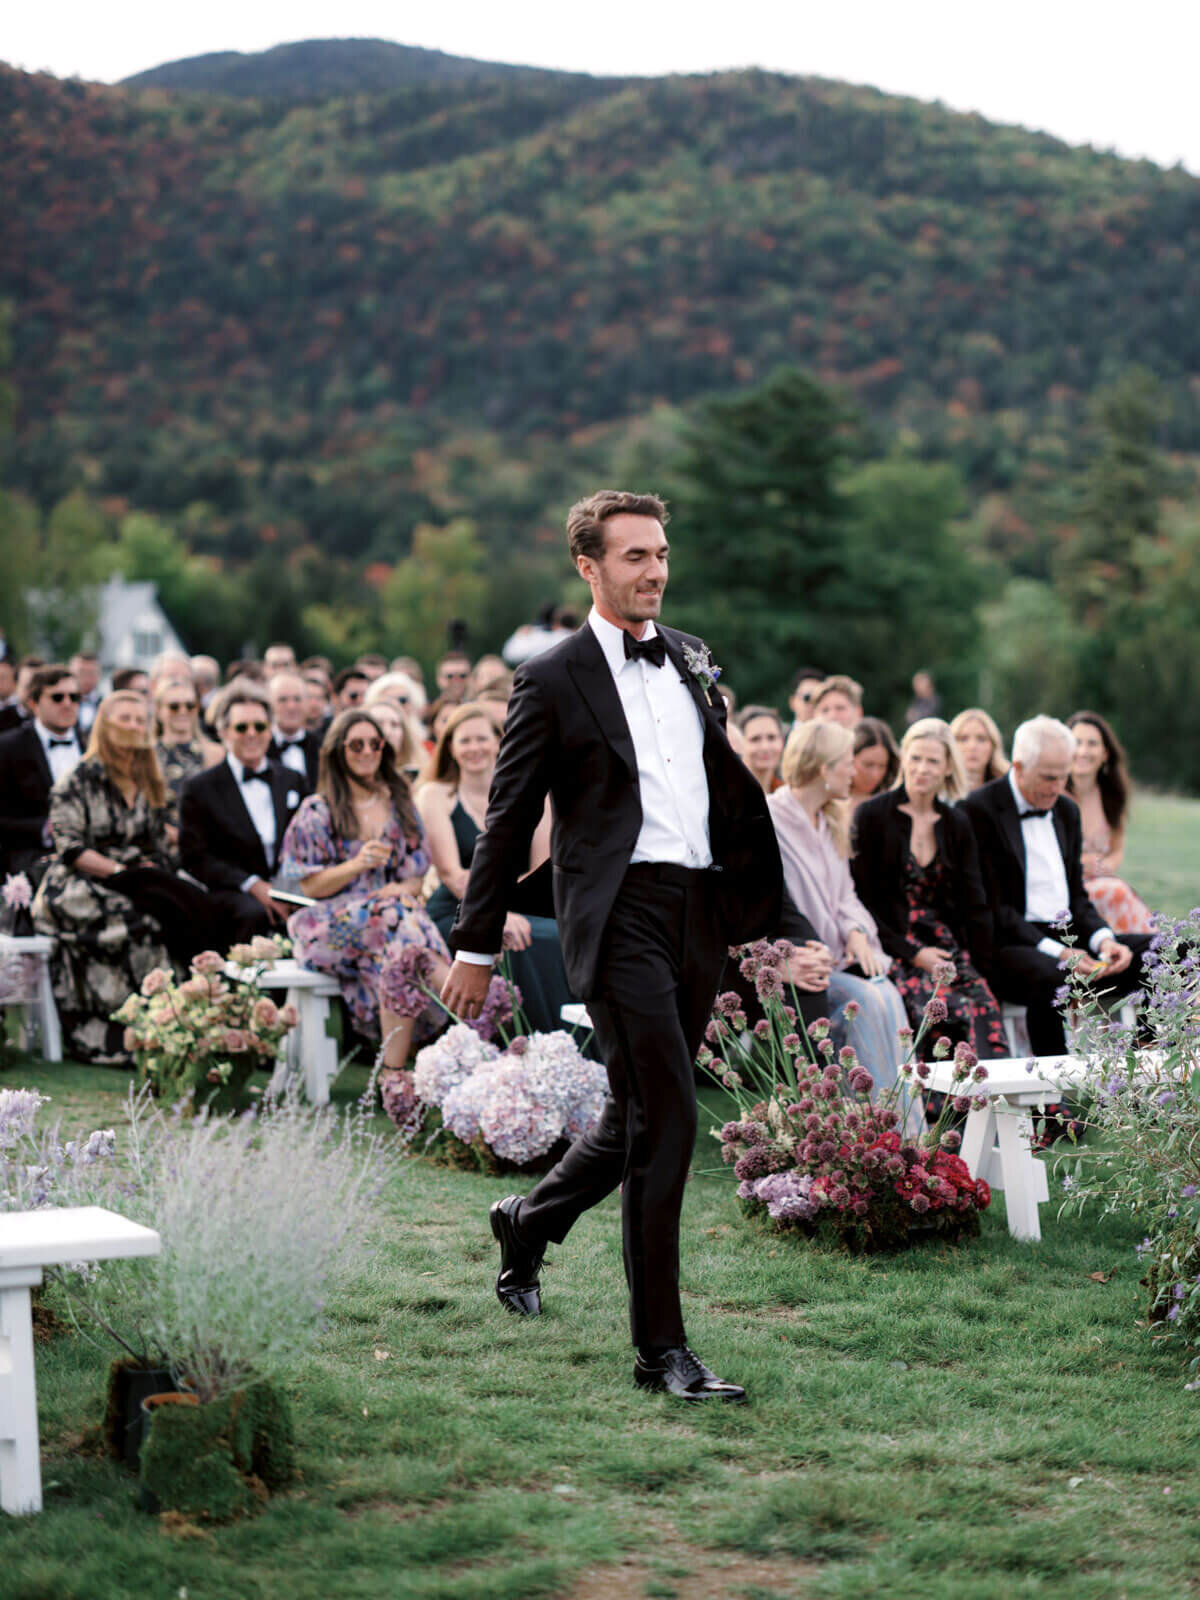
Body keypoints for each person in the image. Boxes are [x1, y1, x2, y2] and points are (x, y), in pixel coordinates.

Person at [441, 489, 783, 1403]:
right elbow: (508, 821)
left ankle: (527, 1223)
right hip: (618, 909)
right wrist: (475, 946)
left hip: (699, 909)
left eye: (662, 553)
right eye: (635, 556)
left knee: (633, 1117)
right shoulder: (550, 679)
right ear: (589, 568)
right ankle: (660, 1350)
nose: (656, 571)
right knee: (670, 1117)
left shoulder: (691, 658)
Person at [31, 692, 218, 1063]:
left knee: (184, 911)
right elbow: (70, 847)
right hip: (78, 884)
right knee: (140, 923)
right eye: (125, 720)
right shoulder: (79, 779)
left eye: (139, 719)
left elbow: (159, 846)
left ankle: (179, 1023)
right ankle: (124, 1029)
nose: (134, 727)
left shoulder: (148, 777)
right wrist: (123, 874)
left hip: (137, 879)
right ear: (105, 725)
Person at [961, 716, 1154, 1057]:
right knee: (1054, 976)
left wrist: (1104, 939)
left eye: (1063, 775)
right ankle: (1053, 1101)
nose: (1058, 785)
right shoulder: (978, 809)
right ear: (1019, 767)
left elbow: (1077, 898)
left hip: (1070, 936)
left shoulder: (1066, 809)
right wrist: (1061, 954)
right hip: (1012, 945)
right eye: (1049, 777)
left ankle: (1150, 1064)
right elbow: (995, 911)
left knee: (1173, 952)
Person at [279, 710, 452, 1069]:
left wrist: (397, 888)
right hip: (325, 926)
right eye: (356, 744)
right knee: (397, 919)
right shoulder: (318, 810)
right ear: (338, 752)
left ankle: (393, 1072)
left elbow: (416, 877)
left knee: (397, 932)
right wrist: (357, 865)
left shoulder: (400, 802)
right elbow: (309, 884)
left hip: (389, 923)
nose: (367, 751)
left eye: (375, 743)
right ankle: (463, 1002)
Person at [767, 720, 914, 1106]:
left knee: (886, 991)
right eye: (848, 762)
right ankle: (874, 1120)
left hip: (838, 953)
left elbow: (845, 895)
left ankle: (904, 1121)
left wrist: (856, 932)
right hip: (798, 962)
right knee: (865, 998)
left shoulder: (830, 818)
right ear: (823, 768)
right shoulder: (771, 818)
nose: (855, 771)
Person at [419, 703, 580, 1036]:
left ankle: (563, 1046)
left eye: (482, 738)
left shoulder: (535, 790)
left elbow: (540, 866)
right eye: (464, 740)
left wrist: (510, 908)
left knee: (554, 937)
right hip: (459, 908)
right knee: (512, 939)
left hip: (523, 902)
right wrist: (494, 912)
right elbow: (451, 873)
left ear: (499, 742)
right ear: (450, 747)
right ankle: (515, 1042)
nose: (474, 748)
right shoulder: (435, 795)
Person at [851, 720, 1007, 1061]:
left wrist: (980, 964)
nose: (922, 769)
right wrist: (913, 954)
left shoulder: (955, 822)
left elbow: (973, 901)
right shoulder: (871, 816)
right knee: (938, 1010)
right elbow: (863, 902)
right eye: (915, 757)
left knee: (984, 1009)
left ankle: (995, 1105)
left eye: (933, 761)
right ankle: (934, 1109)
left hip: (945, 945)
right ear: (904, 758)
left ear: (948, 767)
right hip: (890, 944)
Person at [178, 679, 306, 941]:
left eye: (260, 726)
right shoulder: (200, 788)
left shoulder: (291, 780)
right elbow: (196, 858)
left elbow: (305, 843)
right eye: (241, 727)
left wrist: (286, 890)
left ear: (270, 731)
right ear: (223, 732)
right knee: (254, 914)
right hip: (234, 894)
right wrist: (253, 885)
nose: (252, 734)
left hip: (290, 888)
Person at [1066, 711, 1153, 936]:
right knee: (1118, 892)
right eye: (1077, 743)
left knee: (1117, 891)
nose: (1083, 751)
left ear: (1105, 753)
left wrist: (1105, 867)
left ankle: (1150, 955)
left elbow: (1116, 851)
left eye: (1092, 744)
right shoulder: (1053, 794)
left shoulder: (1112, 796)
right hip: (1066, 886)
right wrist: (1079, 865)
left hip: (1103, 880)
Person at [0, 664, 85, 879]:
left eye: (74, 697)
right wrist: (43, 829)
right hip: (33, 859)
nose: (67, 704)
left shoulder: (92, 745)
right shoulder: (9, 747)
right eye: (57, 698)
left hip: (92, 853)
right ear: (33, 703)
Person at [153, 678, 223, 822]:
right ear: (159, 711)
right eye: (174, 706)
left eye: (190, 705)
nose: (183, 711)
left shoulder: (217, 754)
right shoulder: (147, 756)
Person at [267, 671, 321, 788]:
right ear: (269, 704)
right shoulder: (260, 748)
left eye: (297, 699)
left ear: (307, 703)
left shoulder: (321, 746)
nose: (291, 706)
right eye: (282, 700)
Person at [950, 708, 1009, 793]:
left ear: (993, 745)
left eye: (981, 739)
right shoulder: (936, 794)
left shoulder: (1008, 790)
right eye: (963, 739)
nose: (972, 746)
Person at [850, 718, 899, 816]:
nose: (875, 775)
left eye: (882, 766)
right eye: (868, 765)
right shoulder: (830, 801)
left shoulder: (892, 804)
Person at [736, 705, 785, 794]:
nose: (765, 747)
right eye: (755, 739)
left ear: (782, 741)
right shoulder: (727, 794)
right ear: (740, 744)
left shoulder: (787, 794)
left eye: (771, 738)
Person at [0, 656, 45, 734]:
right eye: (28, 686)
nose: (33, 692)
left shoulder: (56, 719)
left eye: (39, 687)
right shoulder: (2, 720)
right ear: (15, 685)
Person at [69, 652, 103, 736]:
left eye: (91, 673)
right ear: (70, 673)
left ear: (99, 675)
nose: (86, 678)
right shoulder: (59, 701)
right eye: (81, 672)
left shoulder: (106, 704)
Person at [786, 665, 827, 732]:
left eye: (818, 699)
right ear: (792, 702)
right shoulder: (778, 737)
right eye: (807, 697)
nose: (812, 703)